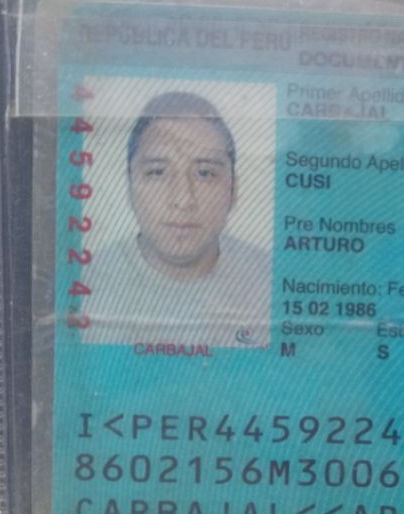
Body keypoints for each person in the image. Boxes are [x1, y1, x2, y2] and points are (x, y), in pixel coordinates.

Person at [82, 91, 271, 349]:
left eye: (205, 173)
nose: (183, 200)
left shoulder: (271, 283)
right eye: (157, 172)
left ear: (234, 190)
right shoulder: (85, 287)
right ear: (130, 186)